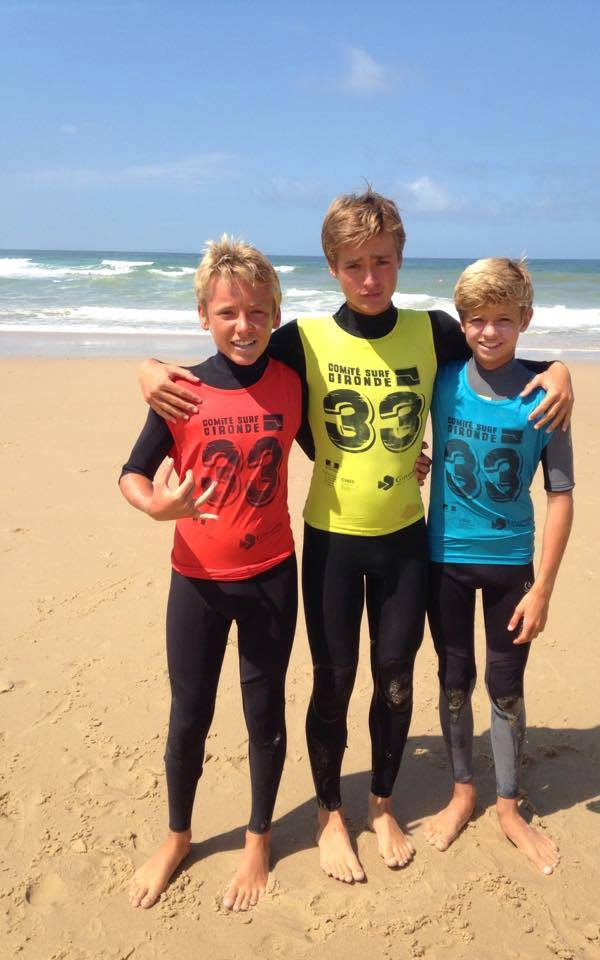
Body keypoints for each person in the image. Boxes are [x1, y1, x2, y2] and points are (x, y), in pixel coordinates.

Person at [138, 189, 574, 884]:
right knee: (334, 682)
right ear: (332, 268)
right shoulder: (301, 338)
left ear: (399, 261)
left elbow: (504, 343)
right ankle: (329, 813)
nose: (370, 278)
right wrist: (149, 369)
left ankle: (379, 804)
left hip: (405, 542)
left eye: (382, 262)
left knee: (396, 680)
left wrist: (559, 371)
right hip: (331, 541)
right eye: (353, 265)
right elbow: (226, 355)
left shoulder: (433, 332)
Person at [119, 237, 301, 911]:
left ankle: (258, 836)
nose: (244, 324)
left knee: (263, 713)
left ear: (275, 315)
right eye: (228, 312)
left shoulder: (291, 382)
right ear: (204, 315)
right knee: (188, 713)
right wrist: (156, 506)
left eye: (257, 311)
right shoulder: (181, 390)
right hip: (194, 580)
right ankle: (177, 835)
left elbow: (334, 442)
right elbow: (133, 472)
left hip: (272, 578)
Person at [419, 257, 574, 875]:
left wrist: (543, 589)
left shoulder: (544, 395)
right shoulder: (443, 377)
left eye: (502, 320)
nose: (488, 332)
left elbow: (560, 494)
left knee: (505, 687)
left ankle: (508, 805)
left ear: (525, 319)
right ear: (462, 323)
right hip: (444, 562)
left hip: (512, 566)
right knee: (454, 680)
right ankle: (464, 792)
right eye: (476, 320)